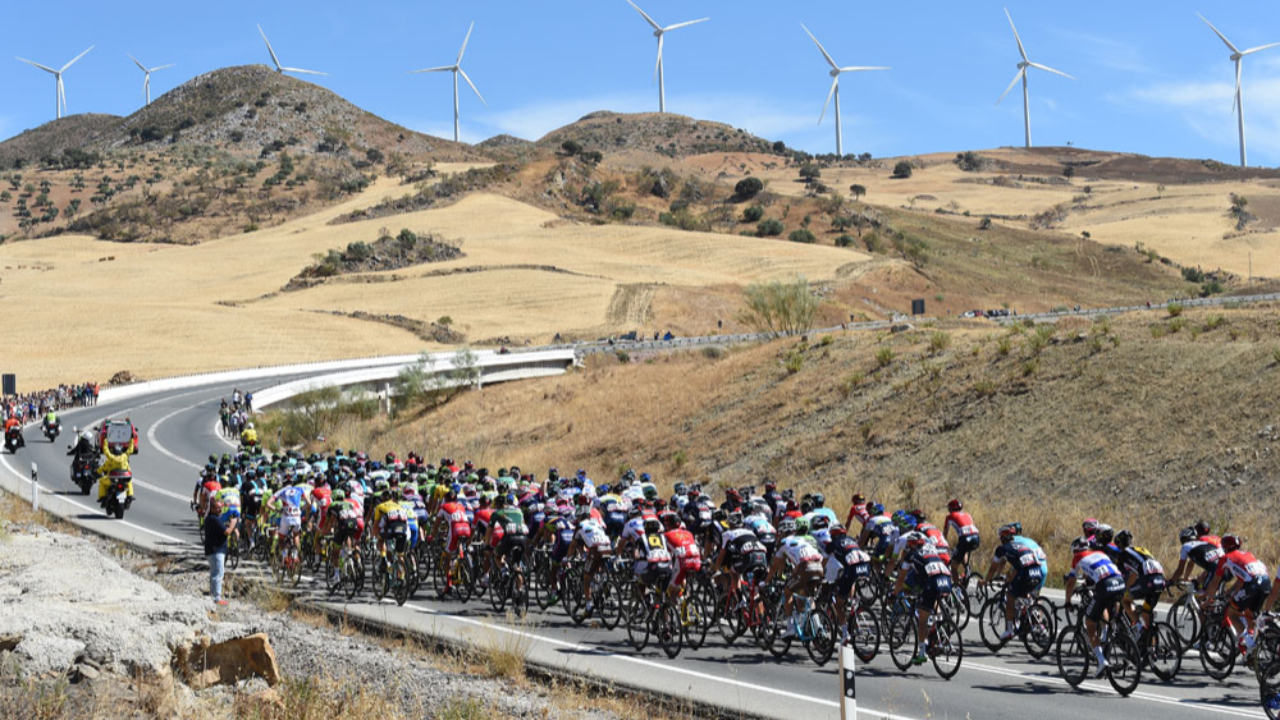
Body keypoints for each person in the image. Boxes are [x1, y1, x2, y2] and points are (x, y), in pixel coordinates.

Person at [1064, 535, 1125, 676]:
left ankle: (1101, 660)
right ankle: (1111, 629)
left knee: (1089, 622)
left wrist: (1067, 601)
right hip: (1120, 581)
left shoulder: (1078, 557)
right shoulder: (1100, 553)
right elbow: (1097, 572)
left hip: (1105, 585)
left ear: (1075, 550)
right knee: (1105, 605)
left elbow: (1071, 582)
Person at [1203, 534, 1271, 656]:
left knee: (1232, 613)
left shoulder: (1226, 558)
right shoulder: (1247, 554)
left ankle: (1250, 645)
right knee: (1249, 614)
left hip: (1253, 584)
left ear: (1225, 547)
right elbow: (1242, 579)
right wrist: (1230, 593)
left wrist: (1208, 601)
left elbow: (1215, 582)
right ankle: (1253, 645)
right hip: (1266, 582)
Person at [980, 522, 1047, 641]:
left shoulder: (1001, 549)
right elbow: (1020, 565)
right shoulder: (1022, 546)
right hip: (1039, 571)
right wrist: (1010, 578)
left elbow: (994, 567)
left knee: (1010, 597)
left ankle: (1009, 630)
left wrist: (986, 580)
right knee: (1026, 595)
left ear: (1003, 538)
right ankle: (1036, 622)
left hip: (1026, 573)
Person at [204, 497, 237, 607]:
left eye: (221, 508)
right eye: (218, 508)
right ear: (212, 508)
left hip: (214, 549)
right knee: (218, 573)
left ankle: (213, 595)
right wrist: (233, 523)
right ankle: (216, 597)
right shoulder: (214, 519)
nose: (220, 510)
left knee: (216, 572)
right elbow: (227, 532)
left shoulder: (213, 518)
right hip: (215, 550)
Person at [96, 437, 133, 505]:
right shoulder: (124, 457)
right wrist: (132, 439)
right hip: (123, 479)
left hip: (112, 479)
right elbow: (130, 450)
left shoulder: (111, 458)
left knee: (101, 481)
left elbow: (105, 451)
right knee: (129, 482)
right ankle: (130, 495)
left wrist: (105, 440)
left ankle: (102, 497)